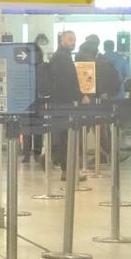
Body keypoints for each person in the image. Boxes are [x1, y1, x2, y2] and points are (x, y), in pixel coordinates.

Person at [48, 29, 81, 173]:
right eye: (69, 39)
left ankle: (62, 165)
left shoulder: (62, 56)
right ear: (62, 41)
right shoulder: (62, 57)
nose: (72, 42)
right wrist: (78, 96)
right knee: (64, 136)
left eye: (74, 39)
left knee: (62, 135)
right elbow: (67, 80)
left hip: (60, 101)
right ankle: (65, 169)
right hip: (62, 102)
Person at [21, 33, 51, 163]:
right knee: (38, 127)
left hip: (25, 100)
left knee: (26, 126)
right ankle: (37, 153)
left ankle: (26, 154)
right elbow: (45, 84)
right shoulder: (42, 66)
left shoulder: (22, 67)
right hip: (39, 99)